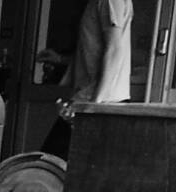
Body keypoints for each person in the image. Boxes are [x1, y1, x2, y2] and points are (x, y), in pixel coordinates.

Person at [41, 0, 134, 158]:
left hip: (101, 102)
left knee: (48, 166)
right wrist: (60, 59)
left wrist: (93, 106)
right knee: (59, 166)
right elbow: (95, 51)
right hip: (95, 100)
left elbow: (114, 49)